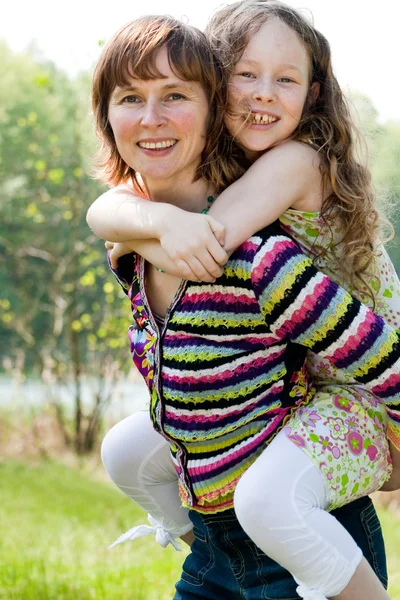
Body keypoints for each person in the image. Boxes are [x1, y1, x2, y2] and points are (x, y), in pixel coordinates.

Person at [88, 10, 400, 600]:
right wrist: (141, 221)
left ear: (313, 95)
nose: (263, 94)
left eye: (285, 80)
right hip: (306, 380)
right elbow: (111, 214)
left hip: (362, 390)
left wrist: (142, 227)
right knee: (128, 449)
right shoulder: (235, 173)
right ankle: (217, 552)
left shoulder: (295, 163)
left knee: (267, 498)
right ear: (222, 82)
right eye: (247, 75)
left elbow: (205, 243)